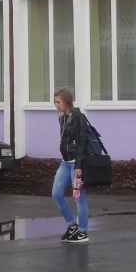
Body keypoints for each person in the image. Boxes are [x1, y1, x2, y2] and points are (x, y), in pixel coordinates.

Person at [52, 88, 89, 244]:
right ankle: (72, 225)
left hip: (76, 163)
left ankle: (82, 232)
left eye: (58, 102)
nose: (56, 105)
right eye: (55, 102)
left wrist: (79, 166)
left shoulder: (80, 118)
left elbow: (82, 143)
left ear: (67, 101)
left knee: (79, 198)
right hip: (65, 162)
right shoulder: (62, 119)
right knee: (56, 193)